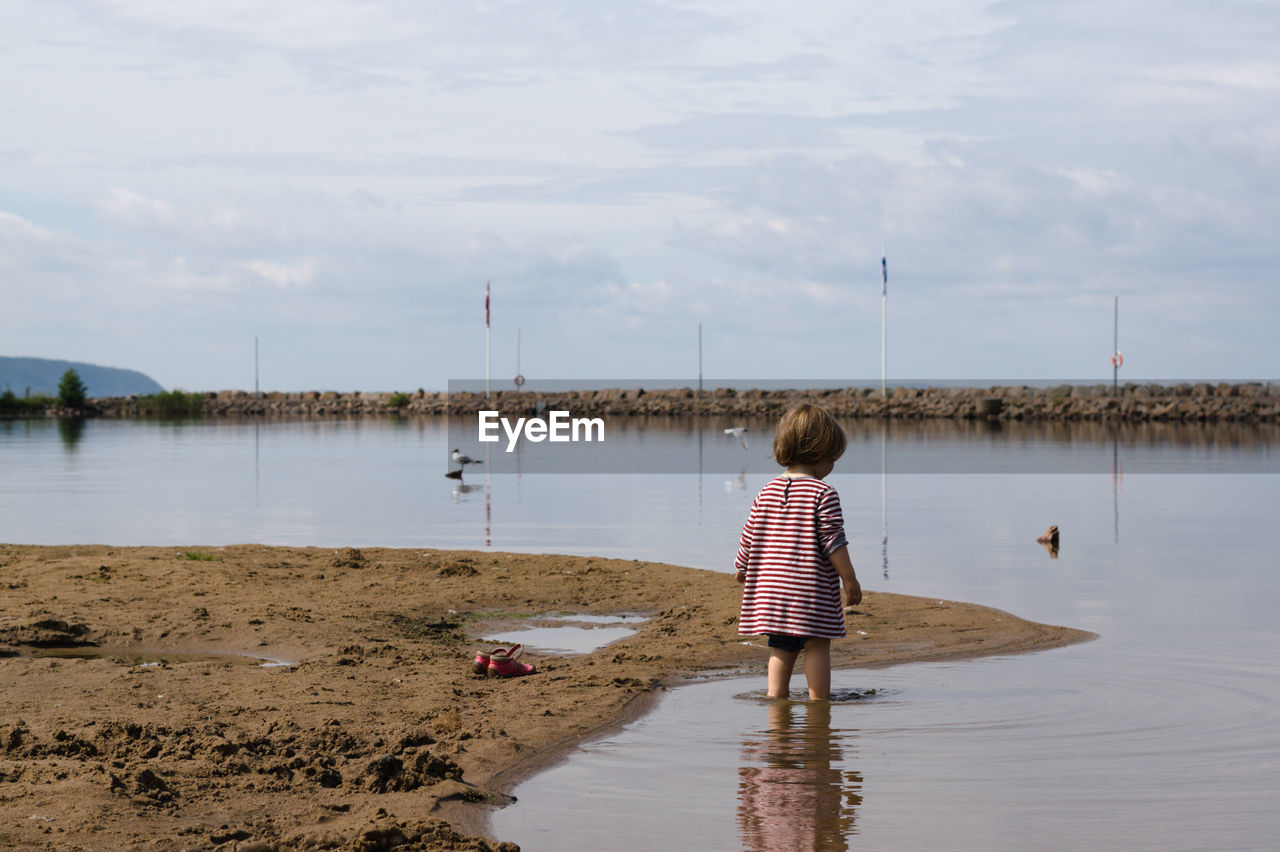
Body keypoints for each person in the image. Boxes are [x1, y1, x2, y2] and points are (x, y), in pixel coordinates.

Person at [735, 404, 862, 700]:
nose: (833, 465)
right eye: (833, 457)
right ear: (819, 453)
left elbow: (749, 535)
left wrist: (742, 568)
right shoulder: (823, 492)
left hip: (772, 591)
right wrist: (849, 577)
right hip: (810, 591)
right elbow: (833, 540)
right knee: (817, 644)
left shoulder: (766, 491)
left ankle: (776, 702)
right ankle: (819, 704)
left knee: (781, 648)